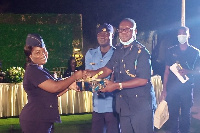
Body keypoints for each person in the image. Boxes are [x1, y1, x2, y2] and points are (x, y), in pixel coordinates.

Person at [83, 18, 155, 133]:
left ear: (135, 31)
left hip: (140, 106)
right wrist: (92, 73)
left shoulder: (142, 52)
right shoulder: (118, 50)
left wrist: (117, 85)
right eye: (121, 30)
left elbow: (143, 80)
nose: (123, 32)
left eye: (127, 29)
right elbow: (107, 69)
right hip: (123, 105)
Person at [19, 33, 82, 133]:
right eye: (38, 52)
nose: (43, 54)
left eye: (44, 50)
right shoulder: (33, 71)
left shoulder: (42, 70)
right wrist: (75, 76)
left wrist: (68, 86)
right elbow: (55, 87)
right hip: (35, 120)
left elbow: (54, 93)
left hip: (43, 118)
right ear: (30, 56)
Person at [160, 26, 200, 133]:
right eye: (179, 33)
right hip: (172, 89)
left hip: (187, 89)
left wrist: (188, 71)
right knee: (173, 115)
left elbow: (198, 70)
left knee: (186, 115)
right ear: (177, 35)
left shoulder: (195, 52)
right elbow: (166, 71)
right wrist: (164, 89)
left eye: (184, 33)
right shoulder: (170, 51)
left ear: (188, 35)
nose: (181, 35)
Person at [85, 23, 119, 133]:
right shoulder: (90, 54)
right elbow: (88, 77)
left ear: (112, 35)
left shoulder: (117, 53)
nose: (102, 36)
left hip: (113, 105)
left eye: (106, 34)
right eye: (100, 33)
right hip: (97, 105)